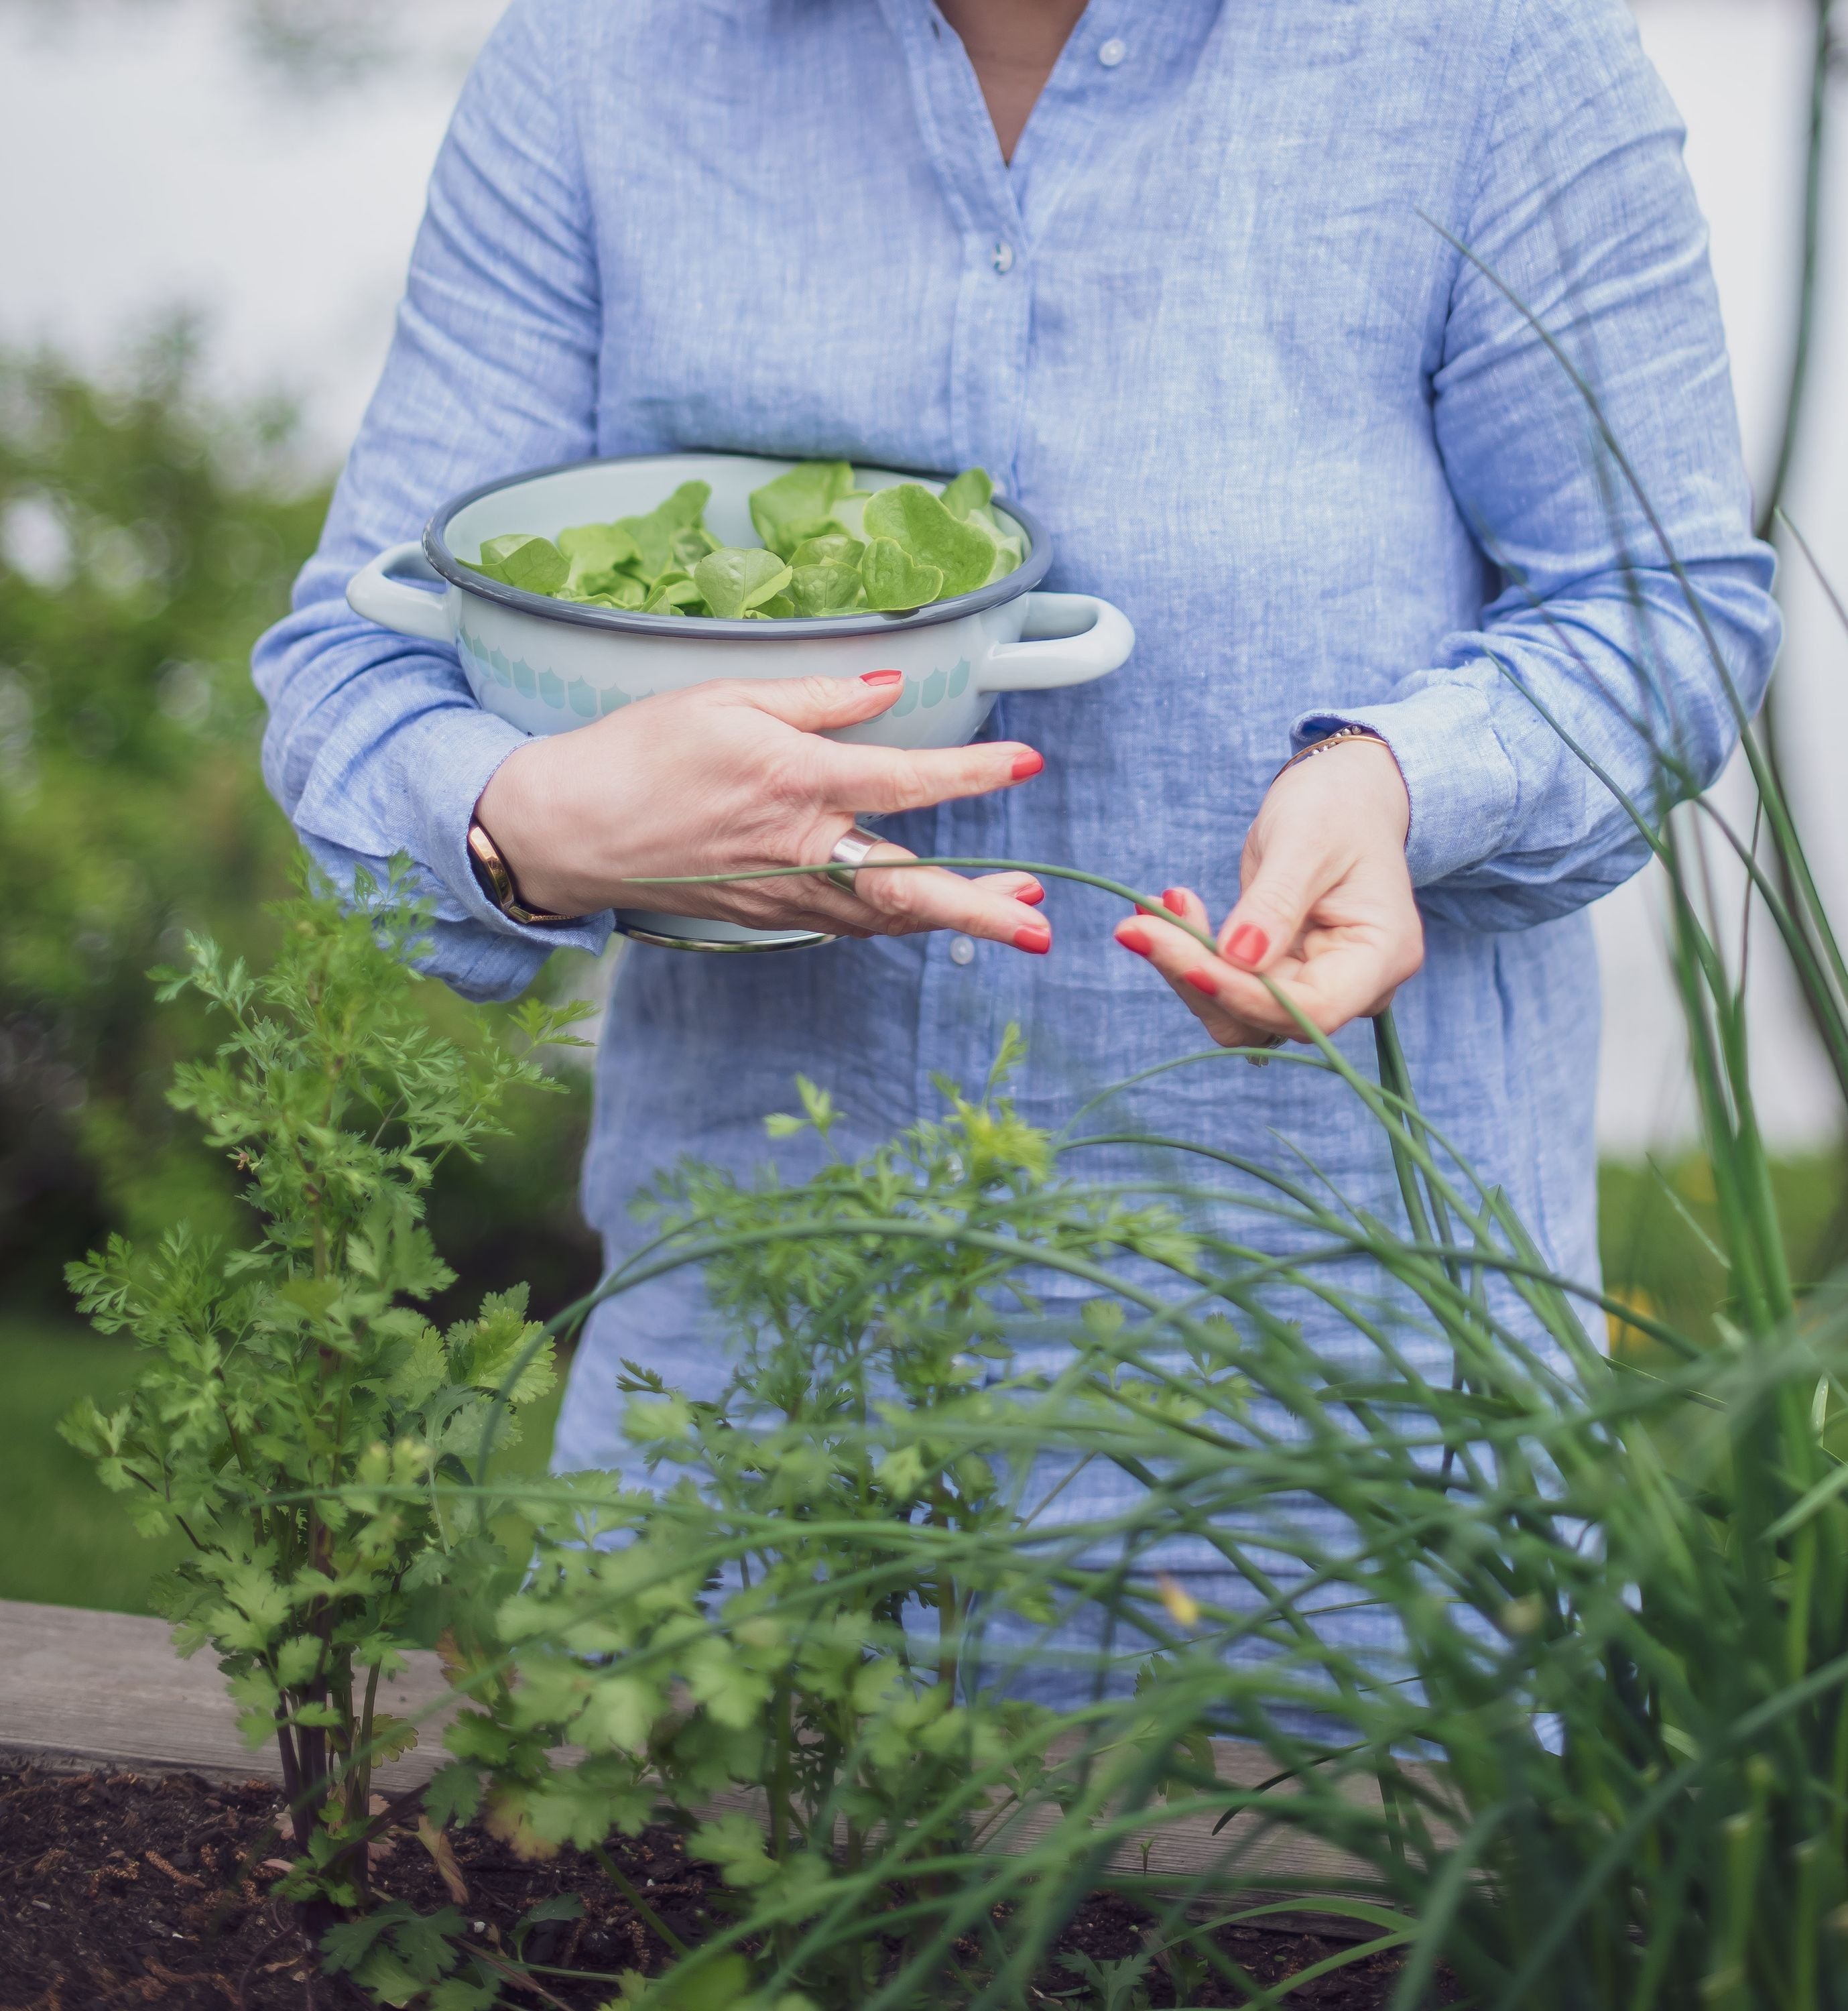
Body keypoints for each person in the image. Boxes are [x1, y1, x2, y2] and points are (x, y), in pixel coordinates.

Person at [255, 0, 1778, 1500]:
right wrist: (526, 824)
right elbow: (354, 664)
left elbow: (1658, 611)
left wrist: (1398, 782)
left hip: (1333, 1460)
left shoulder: (1499, 47)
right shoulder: (599, 57)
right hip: (734, 1419)